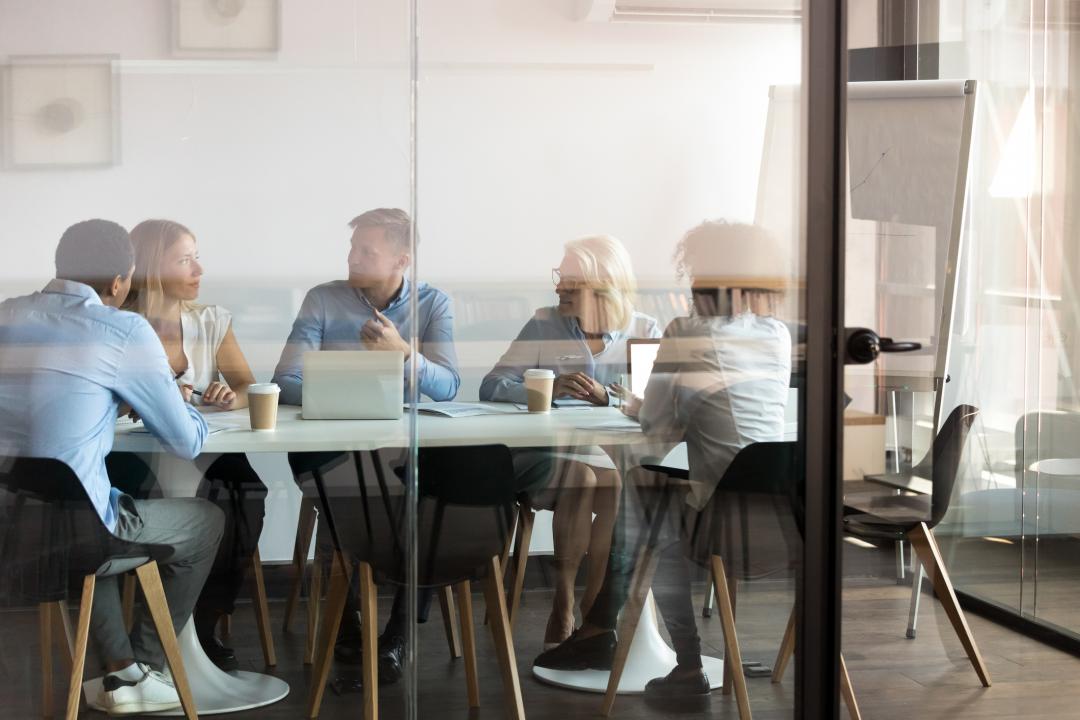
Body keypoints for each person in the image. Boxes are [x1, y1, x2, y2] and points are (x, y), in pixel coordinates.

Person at [534, 221, 792, 700]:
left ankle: (675, 659)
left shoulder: (687, 331)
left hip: (717, 519)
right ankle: (599, 629)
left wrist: (635, 407)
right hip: (782, 517)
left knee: (642, 491)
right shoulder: (776, 336)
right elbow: (694, 413)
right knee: (647, 489)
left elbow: (655, 427)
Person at [0, 219, 223, 715]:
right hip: (81, 530)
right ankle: (148, 669)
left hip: (12, 522)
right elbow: (185, 443)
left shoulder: (7, 314)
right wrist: (179, 401)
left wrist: (109, 402)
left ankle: (119, 672)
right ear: (120, 281)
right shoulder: (121, 328)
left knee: (85, 510)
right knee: (206, 521)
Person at [272, 208, 460, 681]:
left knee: (431, 499)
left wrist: (401, 353)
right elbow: (285, 380)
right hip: (331, 446)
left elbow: (449, 385)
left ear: (402, 259)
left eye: (366, 251)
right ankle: (348, 619)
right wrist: (353, 384)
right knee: (354, 489)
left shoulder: (434, 304)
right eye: (352, 248)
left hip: (400, 449)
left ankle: (398, 632)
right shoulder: (323, 299)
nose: (353, 257)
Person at [480, 235, 661, 646]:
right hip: (549, 458)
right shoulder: (545, 322)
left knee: (610, 480)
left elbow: (656, 406)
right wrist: (545, 388)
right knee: (584, 477)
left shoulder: (645, 329)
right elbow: (492, 385)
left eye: (571, 281)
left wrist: (609, 396)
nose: (558, 287)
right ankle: (565, 605)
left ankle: (595, 608)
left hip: (615, 459)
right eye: (560, 277)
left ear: (603, 285)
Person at [121, 218, 266, 671]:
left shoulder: (210, 321)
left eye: (196, 256)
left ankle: (201, 625)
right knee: (188, 507)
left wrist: (227, 396)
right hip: (137, 458)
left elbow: (247, 385)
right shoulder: (118, 326)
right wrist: (147, 403)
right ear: (150, 266)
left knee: (246, 496)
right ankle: (162, 632)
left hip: (208, 448)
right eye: (185, 259)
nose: (198, 268)